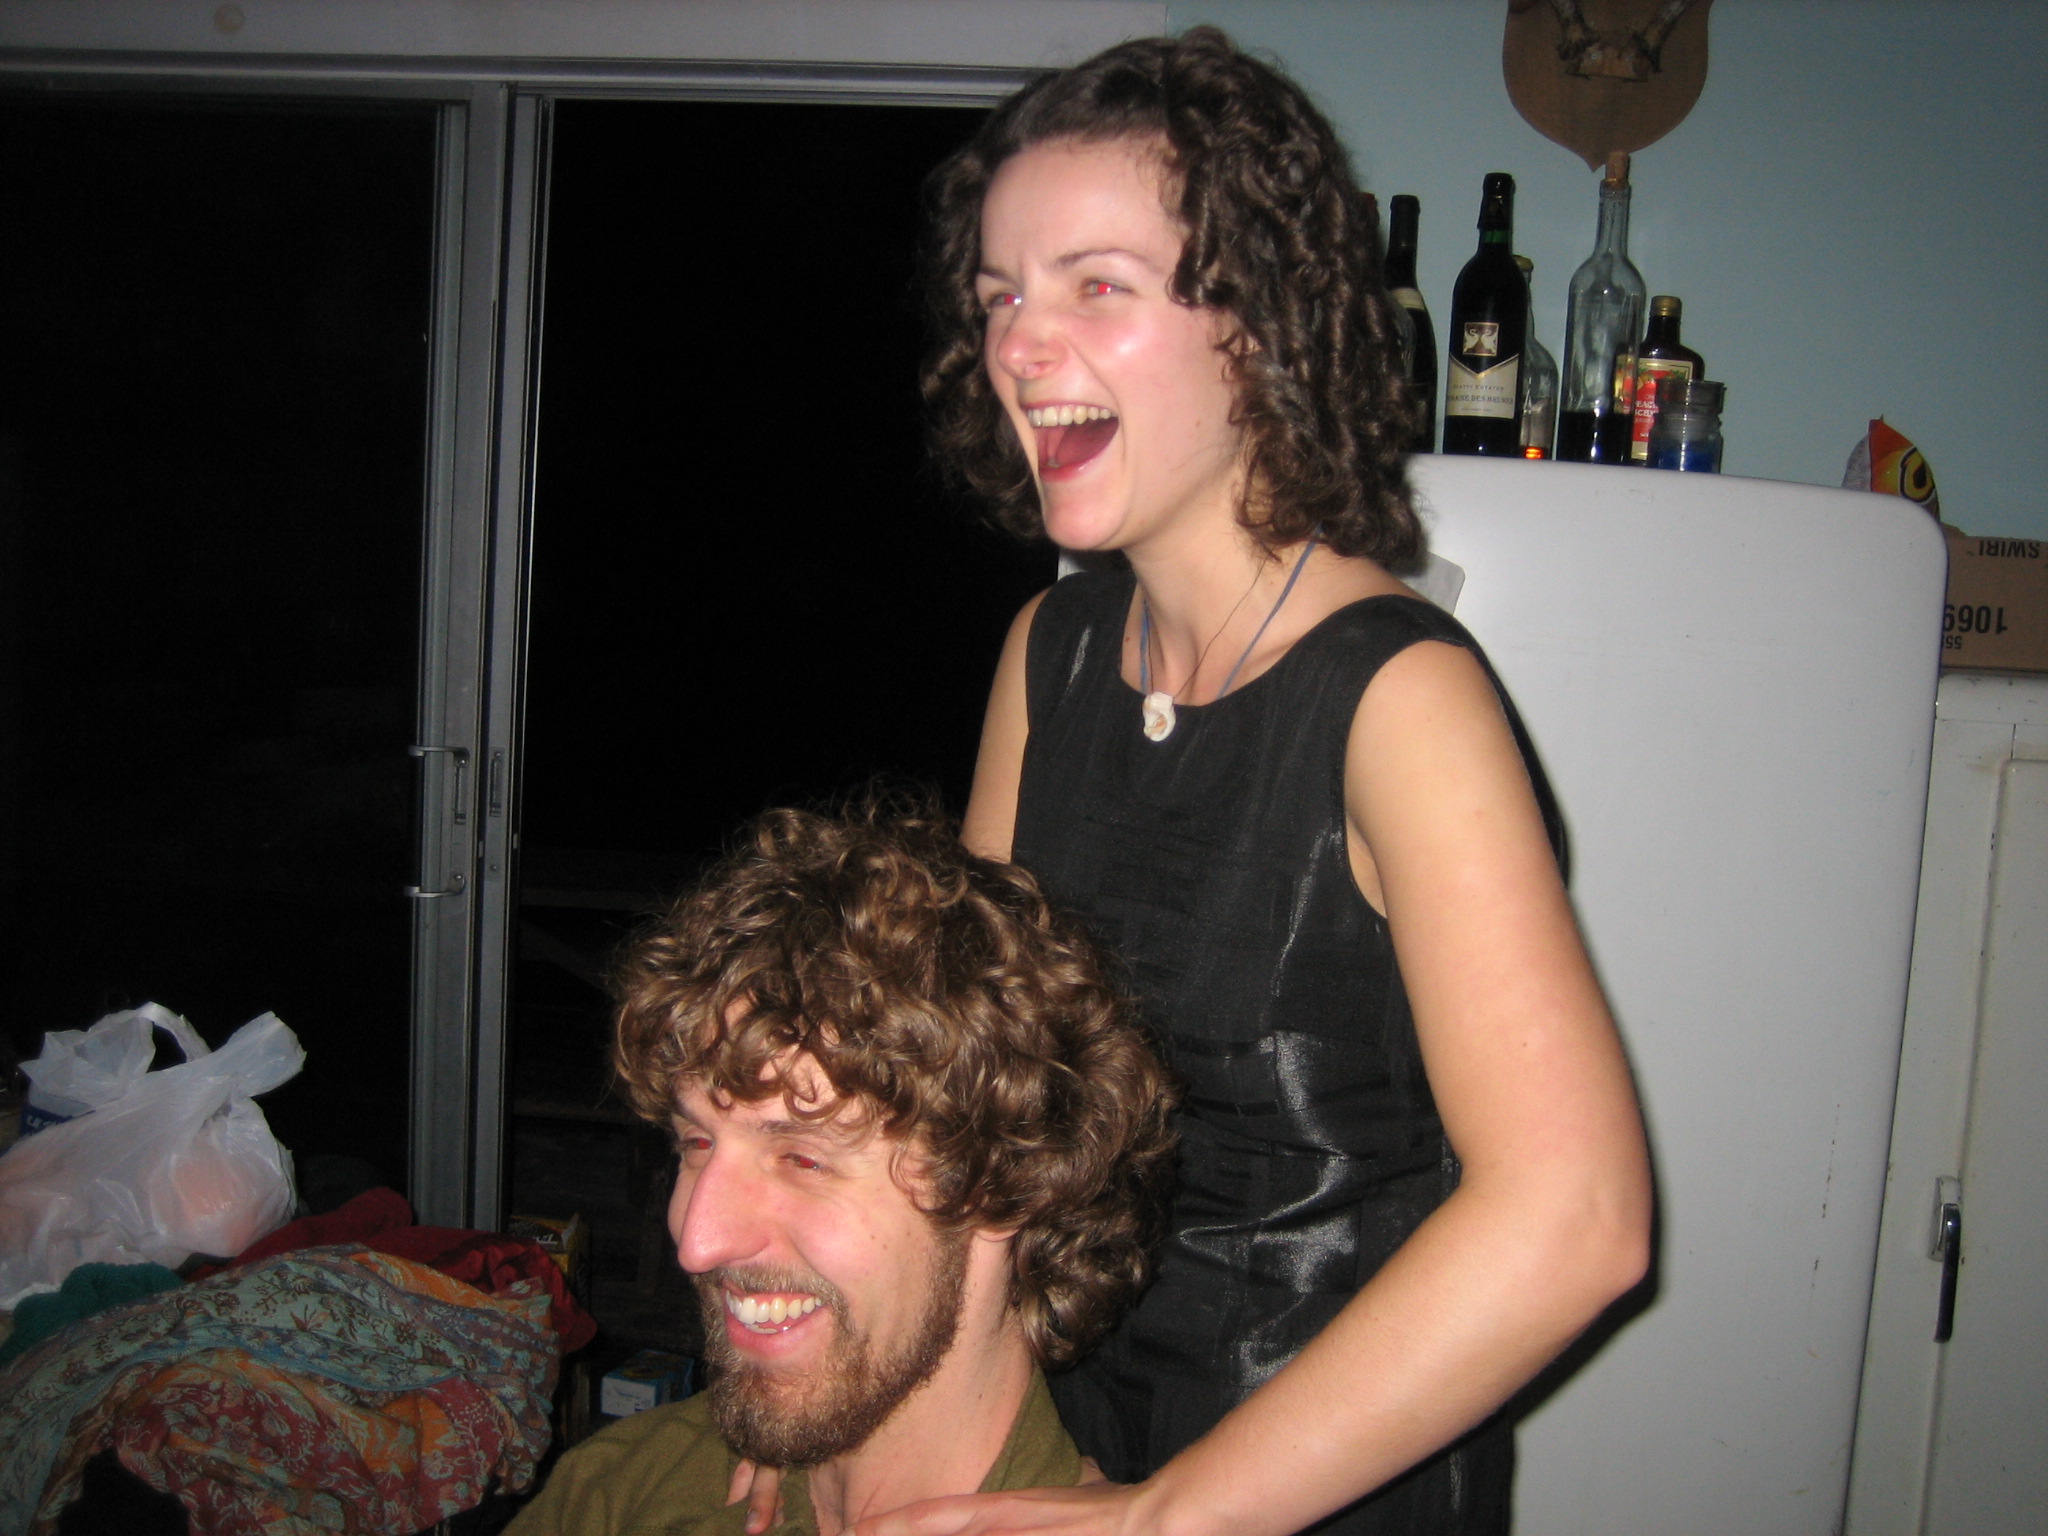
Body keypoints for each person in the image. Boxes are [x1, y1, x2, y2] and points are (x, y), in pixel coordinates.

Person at [872, 26, 1651, 1536]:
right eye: (1000, 295)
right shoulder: (1050, 653)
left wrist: (1164, 1519)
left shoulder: (1400, 700)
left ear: (1259, 326)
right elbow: (972, 1097)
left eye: (1097, 285)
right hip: (1067, 1437)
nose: (1020, 346)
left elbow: (1578, 1219)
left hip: (1313, 1483)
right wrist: (870, 1391)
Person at [506, 803, 1177, 1536]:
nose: (697, 1241)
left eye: (802, 1157)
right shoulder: (620, 1490)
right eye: (695, 1144)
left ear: (1002, 1182)